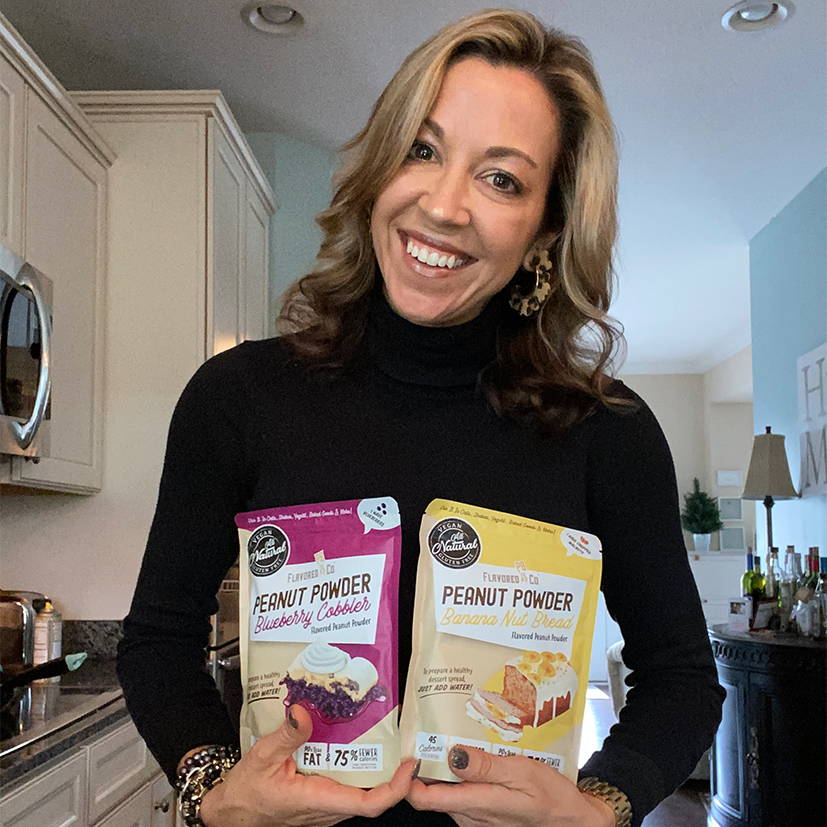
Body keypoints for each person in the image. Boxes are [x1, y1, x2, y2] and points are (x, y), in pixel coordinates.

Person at [118, 8, 724, 827]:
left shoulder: (605, 430)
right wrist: (212, 791)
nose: (443, 205)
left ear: (546, 226)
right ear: (380, 167)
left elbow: (682, 676)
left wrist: (602, 807)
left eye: (501, 177)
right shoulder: (237, 398)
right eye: (423, 149)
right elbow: (157, 642)